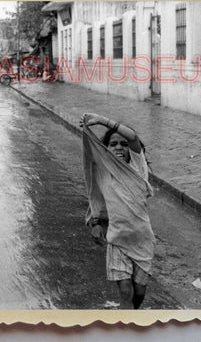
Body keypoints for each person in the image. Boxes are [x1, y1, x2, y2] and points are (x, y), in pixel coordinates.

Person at [79, 112, 155, 310]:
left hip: (142, 240)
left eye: (123, 144)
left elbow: (133, 136)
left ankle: (130, 316)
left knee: (139, 293)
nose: (119, 147)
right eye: (113, 144)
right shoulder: (103, 173)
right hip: (117, 239)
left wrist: (101, 120)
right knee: (125, 292)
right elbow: (96, 198)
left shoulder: (137, 167)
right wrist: (95, 223)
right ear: (107, 149)